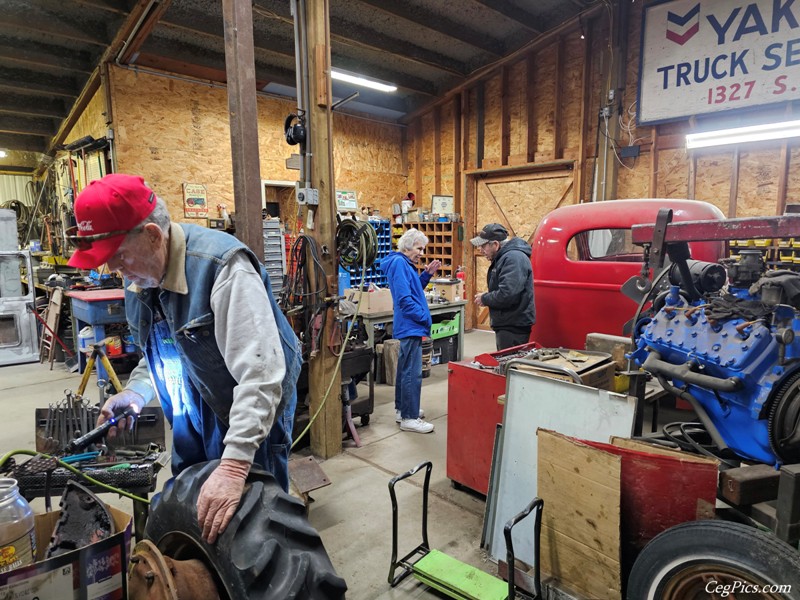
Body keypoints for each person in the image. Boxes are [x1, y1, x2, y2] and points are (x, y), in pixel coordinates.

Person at [66, 174, 301, 545]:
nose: (115, 270)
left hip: (248, 413)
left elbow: (261, 375)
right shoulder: (140, 279)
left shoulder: (222, 269)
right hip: (192, 413)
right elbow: (161, 349)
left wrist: (236, 464)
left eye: (120, 256)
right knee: (192, 514)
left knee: (256, 529)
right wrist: (137, 392)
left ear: (153, 236)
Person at [381, 228, 440, 433]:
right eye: (418, 248)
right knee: (412, 373)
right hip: (410, 326)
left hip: (411, 325)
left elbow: (413, 290)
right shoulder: (399, 264)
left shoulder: (404, 264)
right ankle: (409, 417)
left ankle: (402, 410)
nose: (421, 253)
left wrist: (426, 275)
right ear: (407, 246)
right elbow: (404, 300)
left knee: (405, 371)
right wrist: (424, 317)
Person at [471, 223, 536, 350]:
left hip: (513, 325)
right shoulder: (504, 257)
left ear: (495, 244)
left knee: (509, 363)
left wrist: (485, 298)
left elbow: (508, 294)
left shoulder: (513, 258)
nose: (480, 250)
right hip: (508, 322)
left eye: (483, 245)